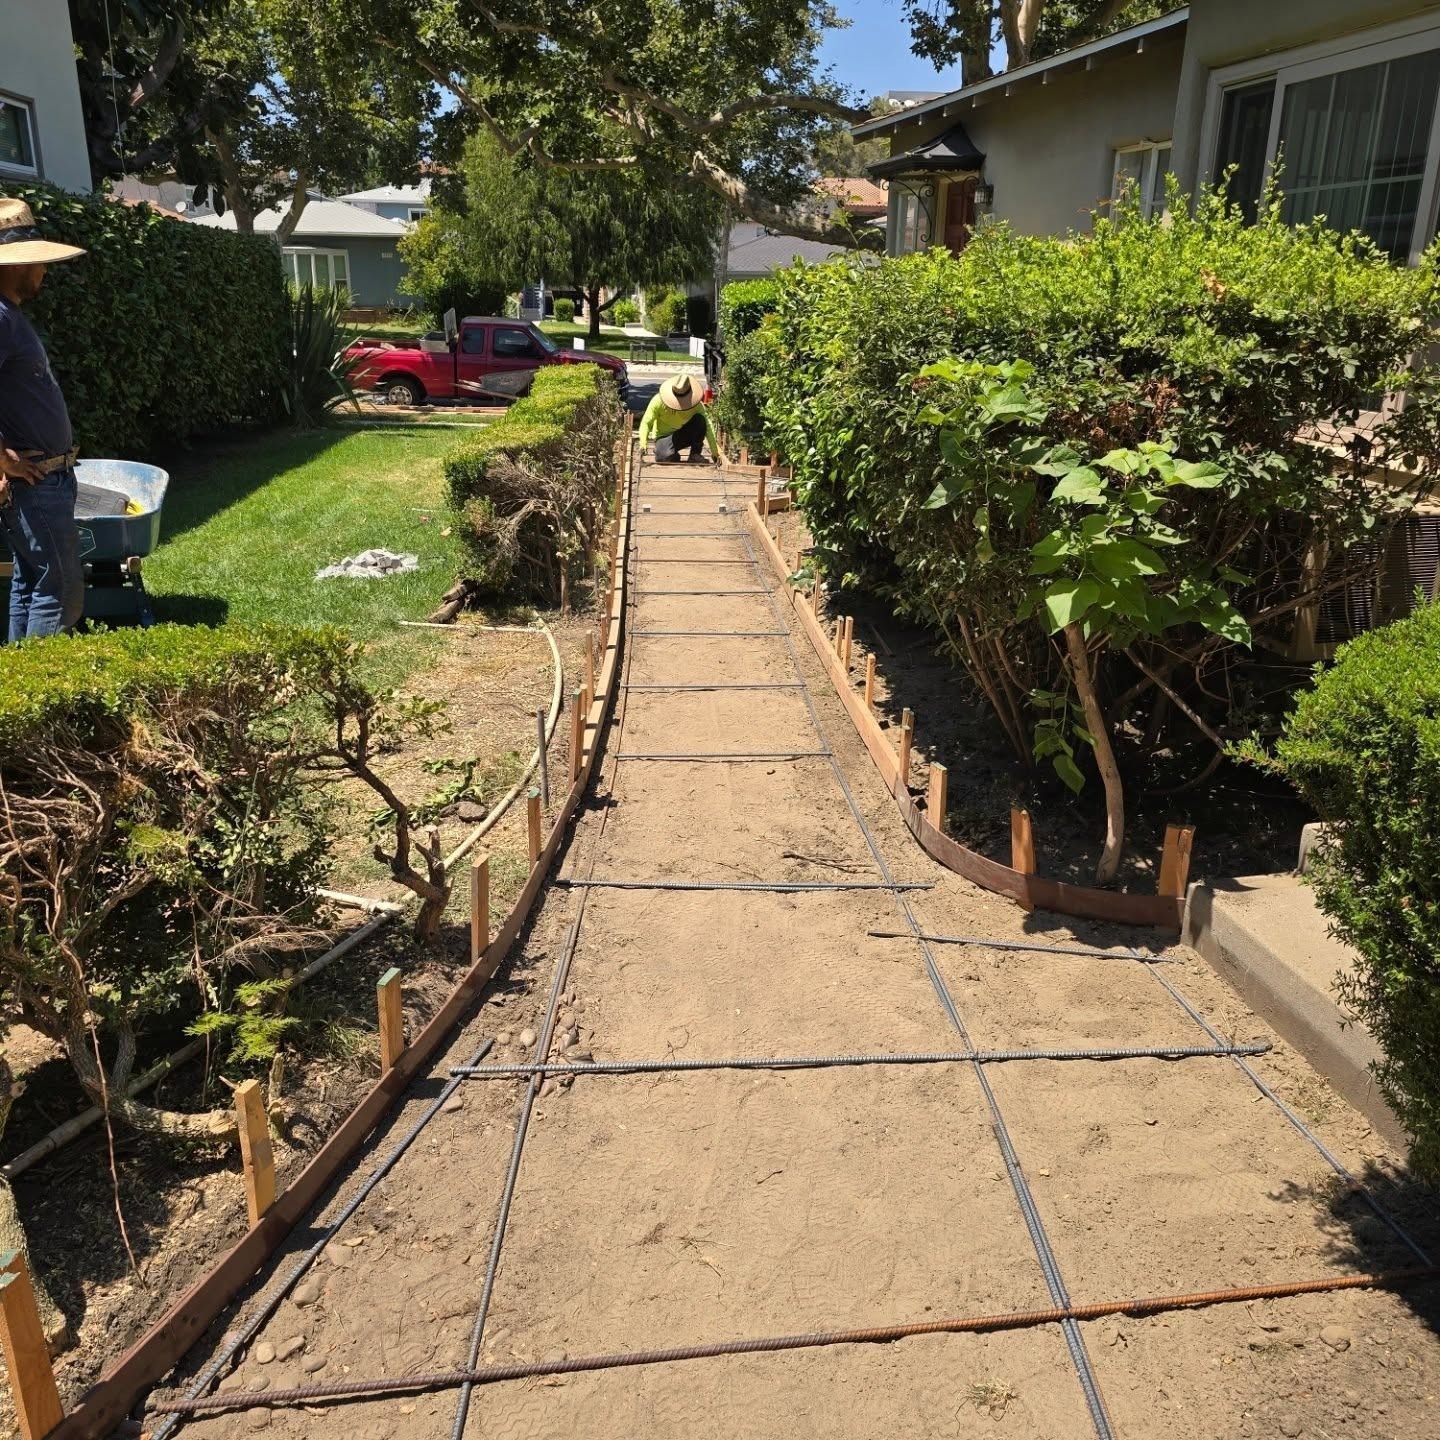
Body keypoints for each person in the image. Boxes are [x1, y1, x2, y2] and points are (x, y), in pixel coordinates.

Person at [0, 197, 86, 642]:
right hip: (35, 479)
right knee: (61, 586)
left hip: (45, 476)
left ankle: (16, 696)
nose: (44, 271)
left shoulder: (10, 316)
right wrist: (3, 459)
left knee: (31, 583)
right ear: (14, 266)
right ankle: (43, 705)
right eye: (37, 262)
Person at [637, 373, 720, 463]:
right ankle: (664, 451)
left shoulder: (696, 404)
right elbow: (646, 422)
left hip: (684, 434)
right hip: (664, 437)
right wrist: (643, 444)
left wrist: (715, 452)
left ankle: (695, 454)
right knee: (663, 459)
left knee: (700, 420)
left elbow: (707, 425)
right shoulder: (658, 401)